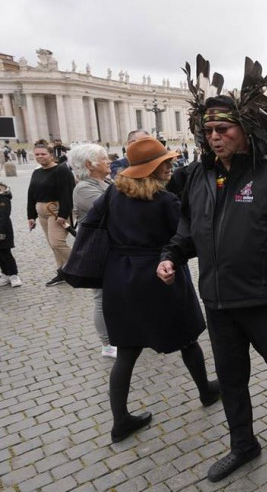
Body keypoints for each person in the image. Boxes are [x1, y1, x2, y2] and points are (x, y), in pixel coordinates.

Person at [157, 57, 267, 483]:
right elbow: (188, 230)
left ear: (244, 130)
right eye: (208, 131)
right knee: (230, 378)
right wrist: (171, 256)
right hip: (217, 299)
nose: (214, 137)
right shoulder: (197, 177)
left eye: (223, 129)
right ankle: (243, 444)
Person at [83, 136, 219, 444]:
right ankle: (206, 391)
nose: (171, 166)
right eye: (165, 163)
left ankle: (120, 420)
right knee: (186, 339)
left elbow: (92, 226)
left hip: (120, 277)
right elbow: (186, 240)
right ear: (151, 168)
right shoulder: (165, 201)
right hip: (160, 274)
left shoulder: (112, 196)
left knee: (127, 351)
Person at [68, 144, 116, 358]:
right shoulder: (83, 188)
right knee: (101, 297)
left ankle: (119, 334)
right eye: (104, 158)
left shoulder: (104, 181)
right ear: (90, 164)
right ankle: (107, 344)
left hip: (112, 247)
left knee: (114, 295)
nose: (109, 161)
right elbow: (114, 209)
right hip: (97, 251)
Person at [26, 139, 75, 286]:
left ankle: (81, 265)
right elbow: (31, 194)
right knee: (52, 245)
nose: (40, 157)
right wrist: (31, 216)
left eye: (43, 154)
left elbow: (67, 194)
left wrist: (62, 214)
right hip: (41, 213)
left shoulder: (61, 170)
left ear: (51, 155)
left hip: (56, 211)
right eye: (37, 155)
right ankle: (62, 272)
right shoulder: (36, 172)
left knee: (57, 242)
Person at [0, 182, 22, 288]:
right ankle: (5, 274)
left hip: (3, 230)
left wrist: (1, 232)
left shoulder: (4, 198)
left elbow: (4, 216)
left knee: (5, 253)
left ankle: (13, 274)